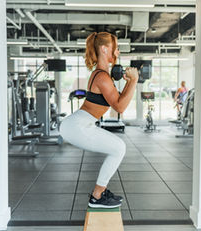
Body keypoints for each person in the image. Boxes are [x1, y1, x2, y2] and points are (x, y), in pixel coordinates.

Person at [60, 32, 138, 209]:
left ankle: (99, 193)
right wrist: (134, 81)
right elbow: (120, 107)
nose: (117, 52)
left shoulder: (102, 75)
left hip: (80, 124)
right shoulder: (102, 77)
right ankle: (97, 196)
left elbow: (118, 99)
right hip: (78, 126)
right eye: (115, 48)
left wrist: (129, 81)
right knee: (119, 148)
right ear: (104, 49)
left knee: (117, 148)